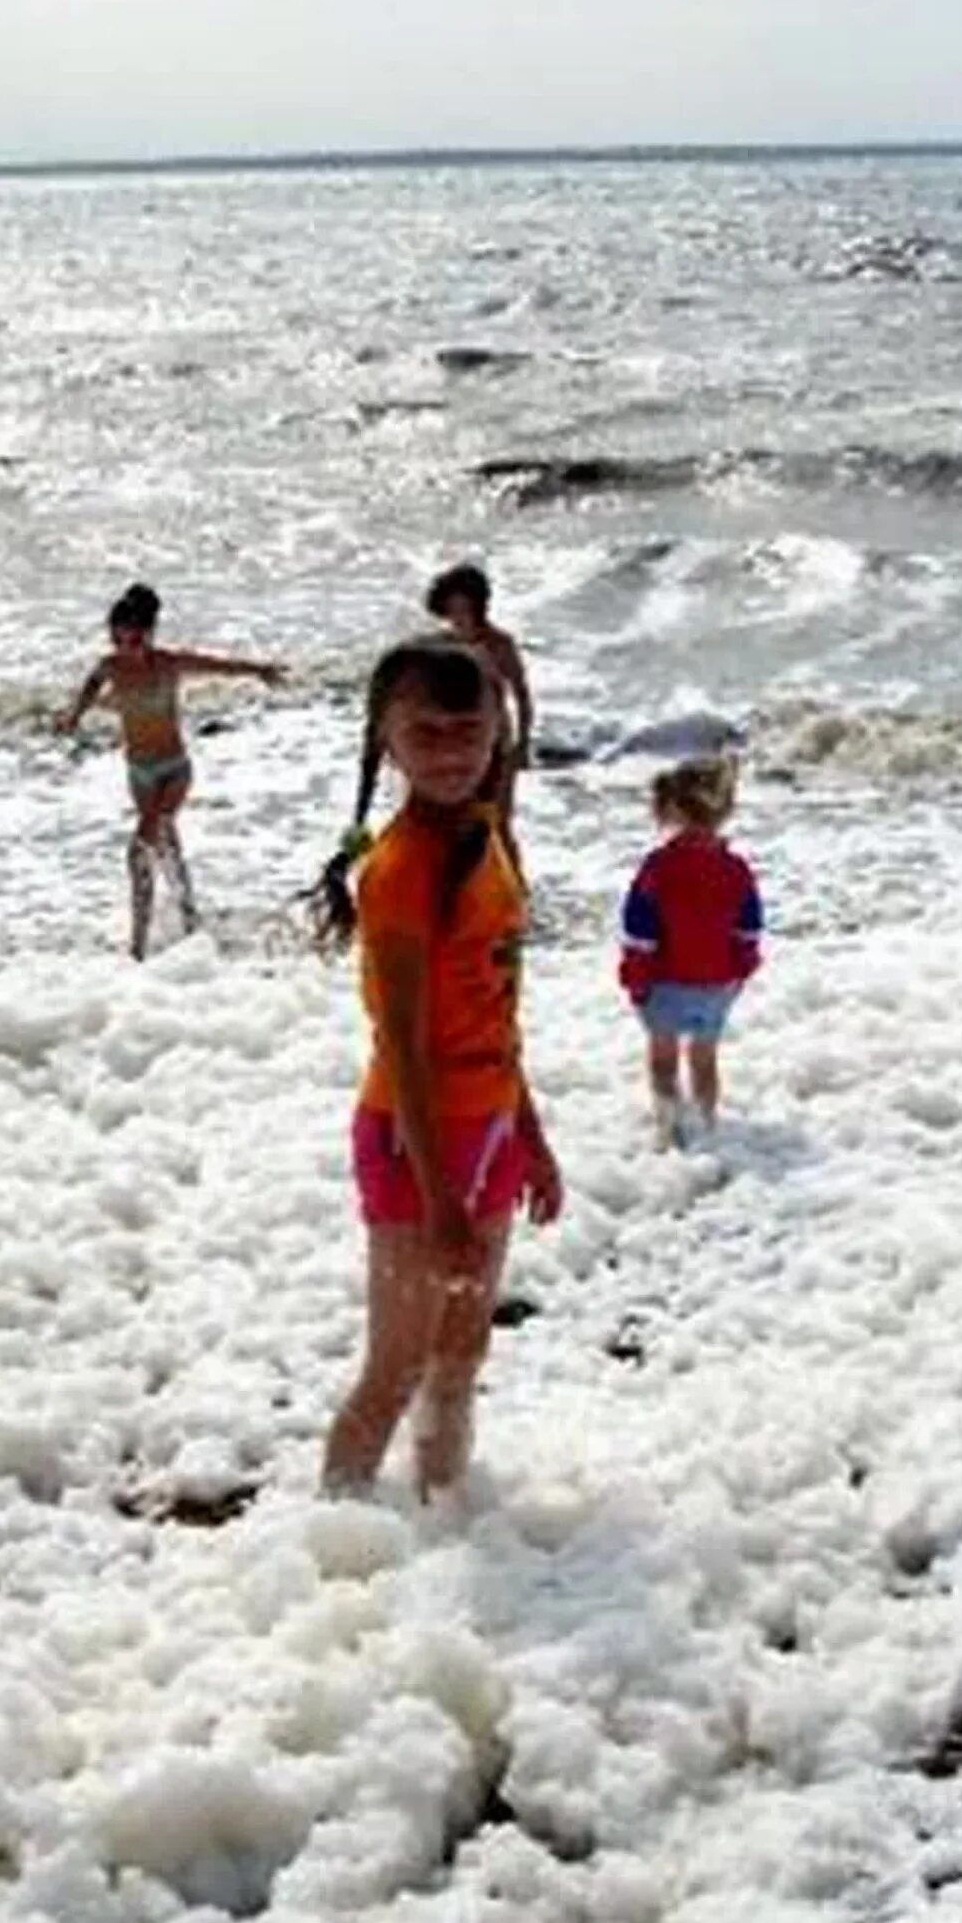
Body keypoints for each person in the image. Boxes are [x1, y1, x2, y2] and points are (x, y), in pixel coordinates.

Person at [309, 637, 564, 1505]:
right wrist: (443, 1198)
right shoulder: (400, 871)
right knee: (399, 1363)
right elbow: (404, 1048)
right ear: (385, 738)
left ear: (501, 731)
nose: (452, 751)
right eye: (427, 732)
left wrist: (528, 1133)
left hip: (485, 1122)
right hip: (413, 1138)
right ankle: (335, 1552)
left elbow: (496, 1004)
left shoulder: (489, 836)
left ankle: (445, 1523)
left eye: (470, 729)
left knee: (461, 1355)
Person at [56, 583, 283, 959]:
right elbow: (88, 691)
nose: (124, 646)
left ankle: (138, 947)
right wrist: (72, 717)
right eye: (118, 638)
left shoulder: (168, 663)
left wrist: (258, 670)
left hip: (174, 768)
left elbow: (217, 665)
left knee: (143, 844)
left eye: (132, 638)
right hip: (139, 772)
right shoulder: (109, 667)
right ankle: (189, 917)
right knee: (167, 845)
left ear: (147, 634)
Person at [619, 755, 764, 1145]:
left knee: (663, 1058)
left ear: (672, 808)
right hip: (716, 984)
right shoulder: (736, 869)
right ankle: (706, 1125)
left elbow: (639, 932)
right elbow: (749, 930)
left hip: (666, 982)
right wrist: (740, 972)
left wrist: (635, 978)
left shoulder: (658, 867)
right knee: (704, 1059)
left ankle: (668, 1128)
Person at [422, 562, 531, 811]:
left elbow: (522, 696)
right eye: (451, 607)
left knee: (498, 821)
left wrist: (522, 745)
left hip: (496, 742)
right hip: (456, 743)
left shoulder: (500, 644)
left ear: (477, 605)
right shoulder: (441, 646)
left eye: (461, 606)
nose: (456, 615)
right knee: (460, 819)